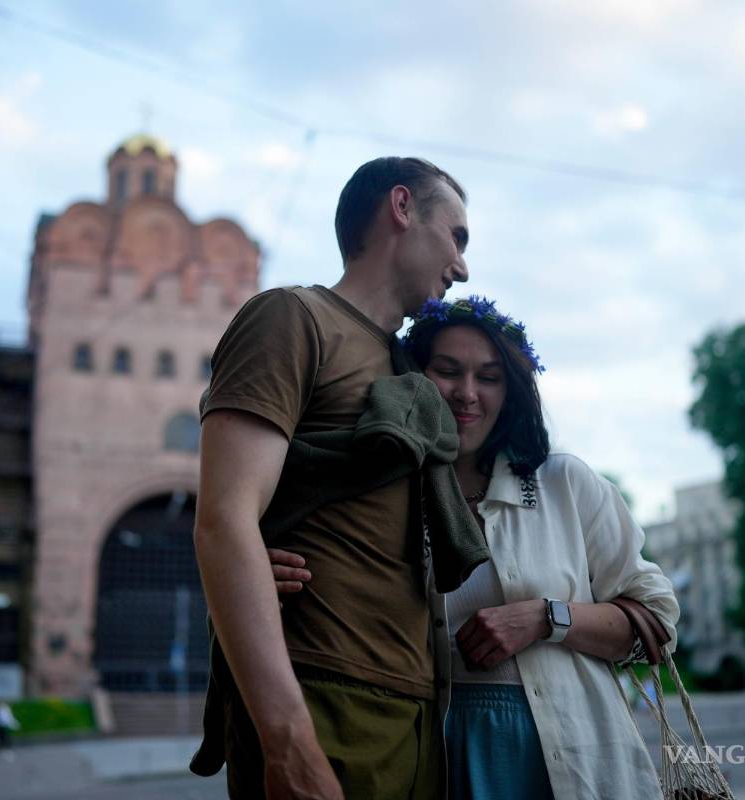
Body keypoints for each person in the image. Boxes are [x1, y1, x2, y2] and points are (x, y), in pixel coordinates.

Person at [274, 296, 680, 800]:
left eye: (489, 377)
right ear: (415, 376)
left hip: (578, 760)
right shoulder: (382, 499)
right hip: (435, 756)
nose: (467, 394)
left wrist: (543, 618)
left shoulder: (564, 484)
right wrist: (266, 573)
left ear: (510, 391)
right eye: (448, 371)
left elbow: (658, 620)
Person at [192, 156, 472, 800]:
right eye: (456, 236)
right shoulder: (292, 317)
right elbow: (222, 520)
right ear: (401, 208)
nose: (462, 266)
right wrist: (289, 743)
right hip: (322, 698)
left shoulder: (411, 368)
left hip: (417, 711)